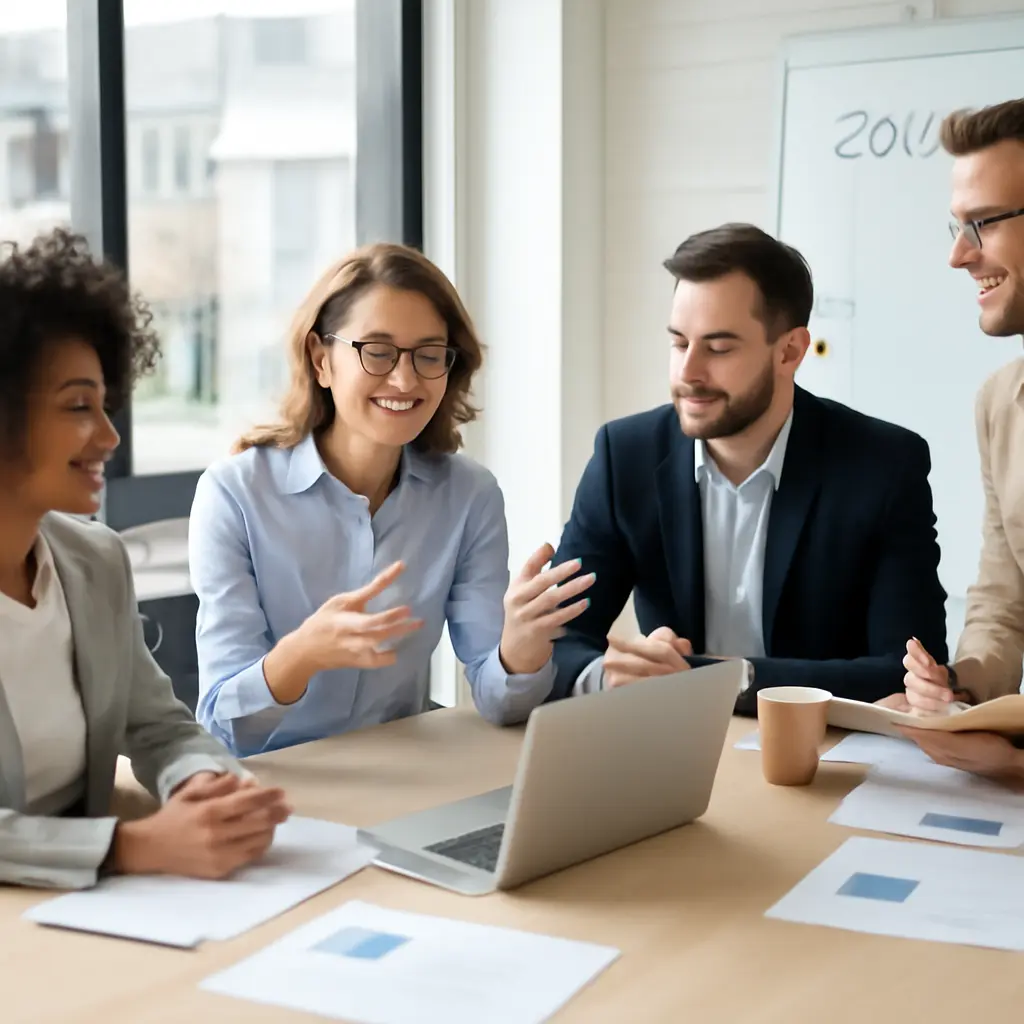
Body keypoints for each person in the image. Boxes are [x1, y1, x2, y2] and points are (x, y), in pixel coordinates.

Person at [189, 243, 593, 756]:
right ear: (321, 360)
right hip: (277, 783)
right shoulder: (234, 494)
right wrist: (303, 653)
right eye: (377, 351)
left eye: (429, 355)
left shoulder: (470, 496)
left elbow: (500, 702)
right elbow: (226, 725)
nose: (405, 380)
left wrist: (520, 648)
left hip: (405, 773)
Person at [548, 222, 948, 711]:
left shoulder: (883, 465)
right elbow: (560, 640)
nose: (688, 373)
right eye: (678, 343)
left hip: (828, 757)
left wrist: (716, 678)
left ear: (790, 351)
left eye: (718, 348)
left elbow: (908, 671)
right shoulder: (624, 456)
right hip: (674, 746)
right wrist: (616, 676)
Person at [0, 228, 290, 890]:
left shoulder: (94, 561)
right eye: (79, 406)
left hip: (87, 922)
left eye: (107, 404)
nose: (109, 436)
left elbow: (159, 726)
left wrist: (207, 788)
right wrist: (129, 848)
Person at [897, 99, 1024, 777]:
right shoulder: (1000, 403)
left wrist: (1012, 764)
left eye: (981, 224)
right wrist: (961, 693)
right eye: (957, 225)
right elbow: (1005, 598)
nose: (958, 254)